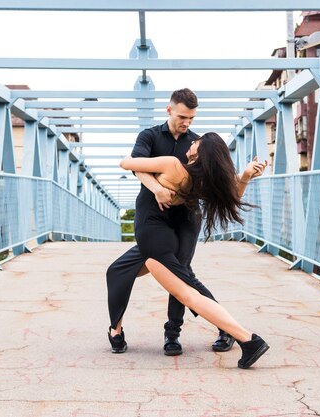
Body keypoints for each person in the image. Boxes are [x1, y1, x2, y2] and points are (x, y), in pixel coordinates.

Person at [118, 132, 269, 369]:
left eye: (196, 143)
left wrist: (156, 185)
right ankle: (241, 337)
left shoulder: (174, 164)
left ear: (199, 153)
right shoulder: (200, 179)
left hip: (152, 238)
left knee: (187, 293)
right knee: (187, 288)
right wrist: (246, 176)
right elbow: (232, 195)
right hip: (158, 236)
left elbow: (126, 163)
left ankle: (248, 338)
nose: (192, 142)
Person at [106, 88, 234, 357]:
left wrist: (242, 178)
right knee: (119, 270)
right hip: (154, 217)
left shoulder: (197, 142)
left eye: (192, 118)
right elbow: (136, 165)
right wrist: (156, 189)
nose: (187, 123)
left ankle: (173, 335)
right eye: (183, 116)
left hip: (186, 217)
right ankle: (115, 329)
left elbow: (212, 179)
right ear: (169, 110)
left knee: (181, 272)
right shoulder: (150, 136)